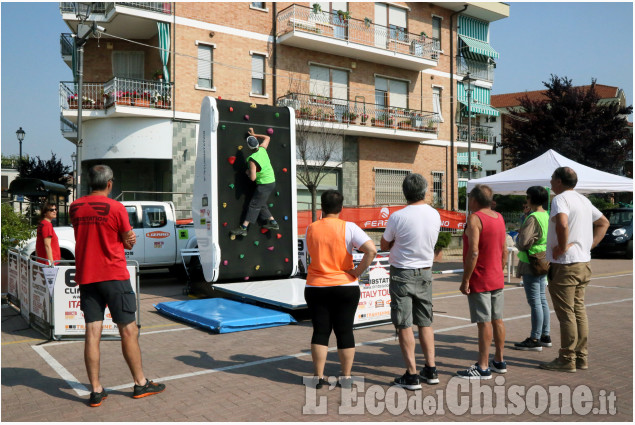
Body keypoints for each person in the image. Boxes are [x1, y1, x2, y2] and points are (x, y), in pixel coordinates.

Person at [70, 165, 166, 407]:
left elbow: (85, 234)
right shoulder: (117, 207)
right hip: (113, 275)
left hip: (87, 277)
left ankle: (95, 390)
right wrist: (127, 238)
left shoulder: (75, 207)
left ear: (88, 183)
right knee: (128, 330)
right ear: (110, 183)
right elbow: (127, 238)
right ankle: (140, 383)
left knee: (92, 333)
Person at [305, 190, 377, 388]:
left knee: (320, 331)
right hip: (345, 285)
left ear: (322, 207)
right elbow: (371, 250)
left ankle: (318, 377)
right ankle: (345, 377)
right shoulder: (349, 227)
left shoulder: (311, 228)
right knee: (345, 331)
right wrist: (357, 272)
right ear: (341, 208)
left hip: (316, 285)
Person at [539, 167, 609, 373]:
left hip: (566, 265)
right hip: (583, 262)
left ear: (559, 181)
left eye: (552, 179)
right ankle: (581, 356)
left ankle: (567, 358)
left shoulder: (560, 199)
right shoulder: (583, 200)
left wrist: (561, 246)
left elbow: (561, 224)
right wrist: (588, 245)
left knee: (566, 313)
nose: (550, 182)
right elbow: (603, 222)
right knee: (579, 310)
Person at [380, 173, 441, 390]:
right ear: (424, 190)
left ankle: (412, 374)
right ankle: (431, 368)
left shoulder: (398, 216)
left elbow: (384, 244)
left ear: (405, 192)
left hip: (402, 273)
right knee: (425, 321)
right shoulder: (435, 215)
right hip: (425, 272)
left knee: (404, 323)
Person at [457, 184, 507, 379]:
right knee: (497, 320)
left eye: (469, 198)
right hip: (496, 276)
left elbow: (474, 251)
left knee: (483, 322)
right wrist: (500, 269)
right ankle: (499, 360)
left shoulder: (475, 218)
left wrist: (466, 279)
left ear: (475, 200)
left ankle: (483, 366)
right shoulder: (499, 217)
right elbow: (504, 249)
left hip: (481, 277)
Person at [513, 186, 552, 351]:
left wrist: (518, 239)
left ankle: (535, 338)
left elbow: (523, 242)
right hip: (543, 258)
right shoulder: (546, 215)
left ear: (530, 199)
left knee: (535, 301)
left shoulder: (532, 217)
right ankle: (545, 334)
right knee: (542, 299)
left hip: (531, 261)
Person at [231, 127, 279, 237]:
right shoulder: (262, 149)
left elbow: (252, 178)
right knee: (260, 203)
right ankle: (273, 222)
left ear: (249, 147)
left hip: (264, 184)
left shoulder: (252, 160)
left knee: (253, 205)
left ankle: (243, 228)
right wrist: (254, 134)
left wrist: (248, 172)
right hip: (271, 181)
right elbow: (267, 137)